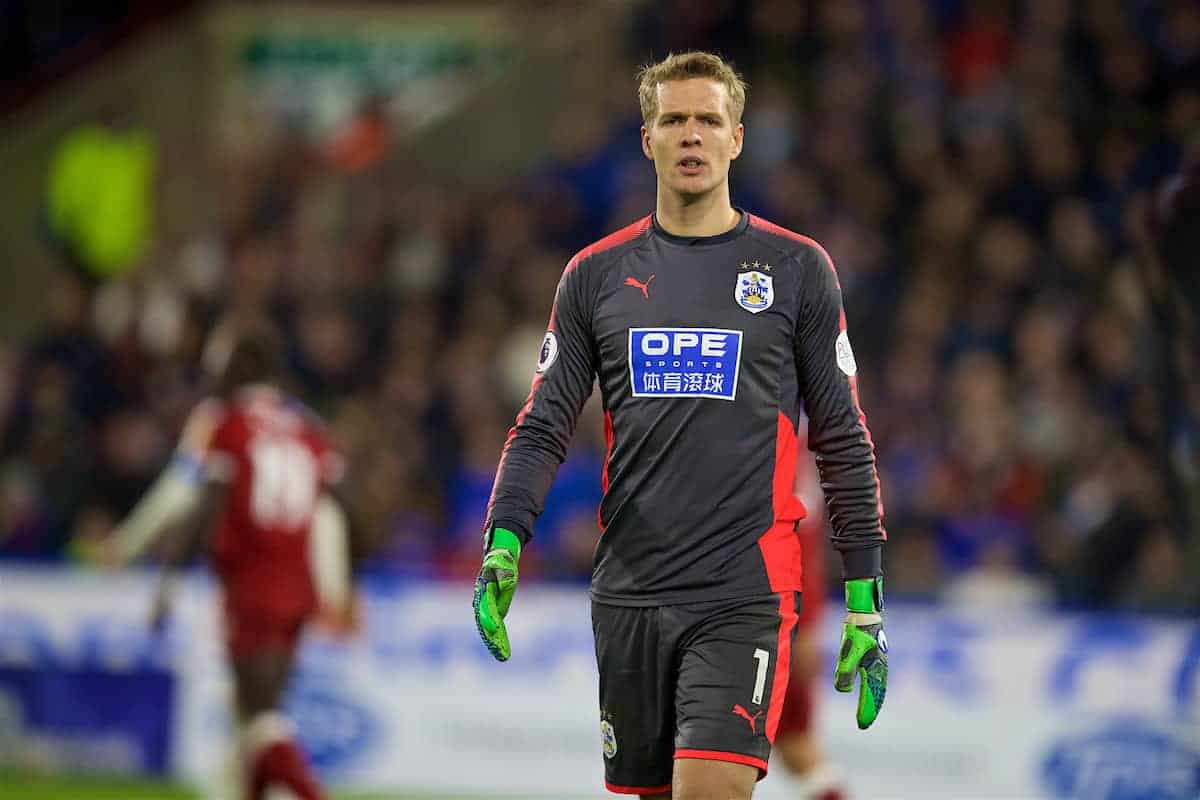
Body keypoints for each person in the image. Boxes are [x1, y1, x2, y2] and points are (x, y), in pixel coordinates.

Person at [473, 51, 887, 800]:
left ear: (736, 139)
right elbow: (541, 426)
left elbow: (844, 440)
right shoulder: (594, 276)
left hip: (745, 589)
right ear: (647, 139)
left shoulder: (797, 270)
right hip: (629, 593)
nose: (691, 135)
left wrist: (865, 593)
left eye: (708, 120)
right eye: (674, 120)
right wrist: (505, 539)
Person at [110, 318, 359, 800]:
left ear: (241, 366)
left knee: (262, 720)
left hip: (251, 584)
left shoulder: (224, 422)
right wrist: (344, 582)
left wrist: (163, 578)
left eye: (217, 361)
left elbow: (198, 499)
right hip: (298, 588)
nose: (210, 372)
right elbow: (344, 502)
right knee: (253, 723)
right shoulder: (307, 426)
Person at [773, 427, 848, 800]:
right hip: (777, 614)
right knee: (792, 745)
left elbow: (800, 537)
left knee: (793, 744)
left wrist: (806, 625)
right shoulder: (802, 439)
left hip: (768, 617)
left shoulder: (781, 439)